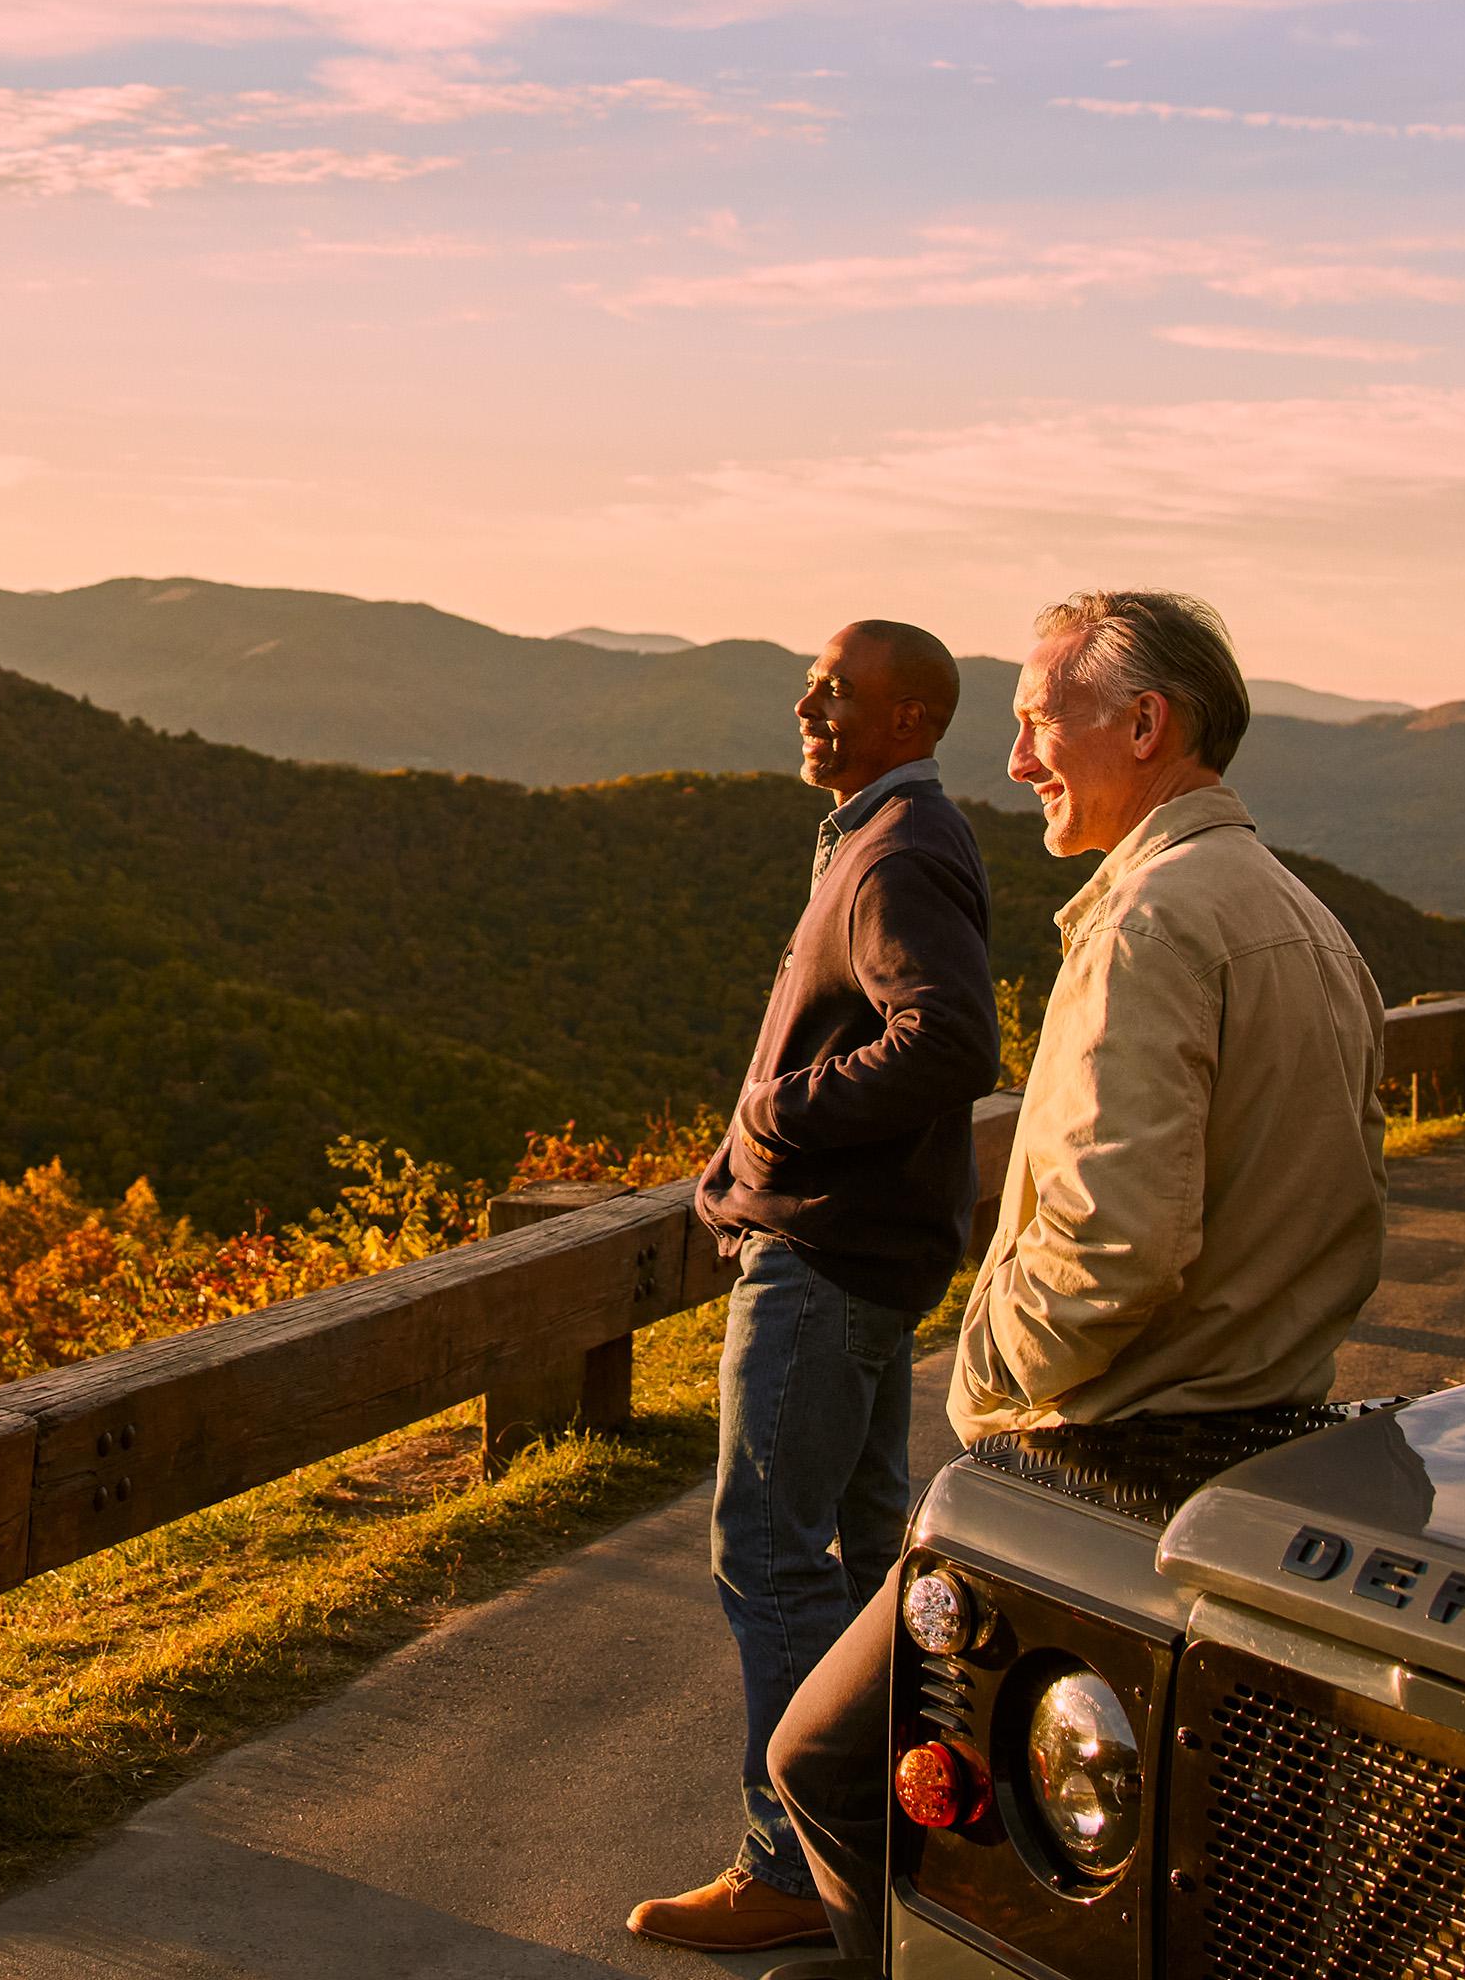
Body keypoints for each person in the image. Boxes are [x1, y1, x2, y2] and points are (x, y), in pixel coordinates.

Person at [759, 590, 1389, 1979]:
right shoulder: (1306, 922)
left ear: (1145, 723)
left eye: (1041, 722)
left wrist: (989, 1386)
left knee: (832, 1761)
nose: (1021, 758)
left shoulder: (1152, 924)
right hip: (1272, 1447)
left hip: (1111, 1456)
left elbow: (1115, 1246)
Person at [628, 620, 1000, 1957]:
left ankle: (790, 1863)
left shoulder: (898, 848)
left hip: (820, 1263)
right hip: (852, 1262)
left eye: (837, 691)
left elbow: (950, 1038)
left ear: (910, 719)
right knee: (855, 1562)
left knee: (773, 1560)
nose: (807, 703)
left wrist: (779, 1117)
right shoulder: (879, 837)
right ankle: (882, 1836)